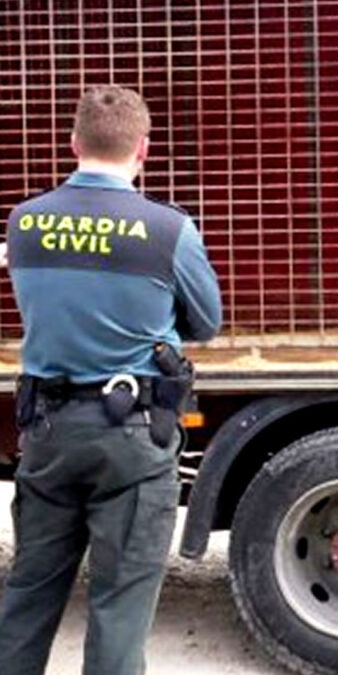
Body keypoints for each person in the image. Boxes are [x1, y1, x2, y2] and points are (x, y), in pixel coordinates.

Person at [0, 85, 221, 675]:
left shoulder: (25, 223)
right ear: (143, 149)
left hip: (47, 432)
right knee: (119, 608)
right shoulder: (167, 230)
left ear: (72, 144)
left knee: (27, 597)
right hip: (133, 436)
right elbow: (206, 321)